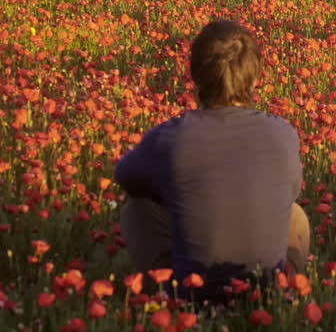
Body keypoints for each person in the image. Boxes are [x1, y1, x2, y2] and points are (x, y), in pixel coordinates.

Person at [115, 20, 309, 303]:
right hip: (263, 296)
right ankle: (281, 296)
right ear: (255, 78)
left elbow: (125, 178)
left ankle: (166, 294)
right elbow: (289, 193)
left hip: (194, 296)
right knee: (295, 215)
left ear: (195, 76)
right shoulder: (284, 134)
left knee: (137, 209)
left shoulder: (171, 138)